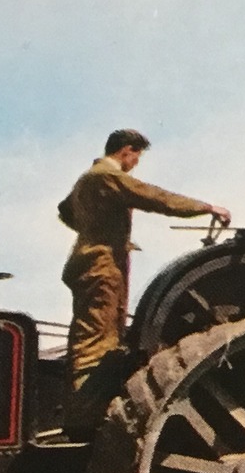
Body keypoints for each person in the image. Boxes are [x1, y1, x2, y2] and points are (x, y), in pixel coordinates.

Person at [58, 129, 230, 434]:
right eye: (136, 156)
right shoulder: (106, 175)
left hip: (88, 262)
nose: (135, 163)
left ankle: (83, 411)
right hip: (102, 266)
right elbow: (153, 196)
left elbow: (65, 211)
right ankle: (86, 416)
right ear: (127, 150)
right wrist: (207, 208)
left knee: (90, 333)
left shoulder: (86, 179)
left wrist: (102, 233)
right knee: (98, 340)